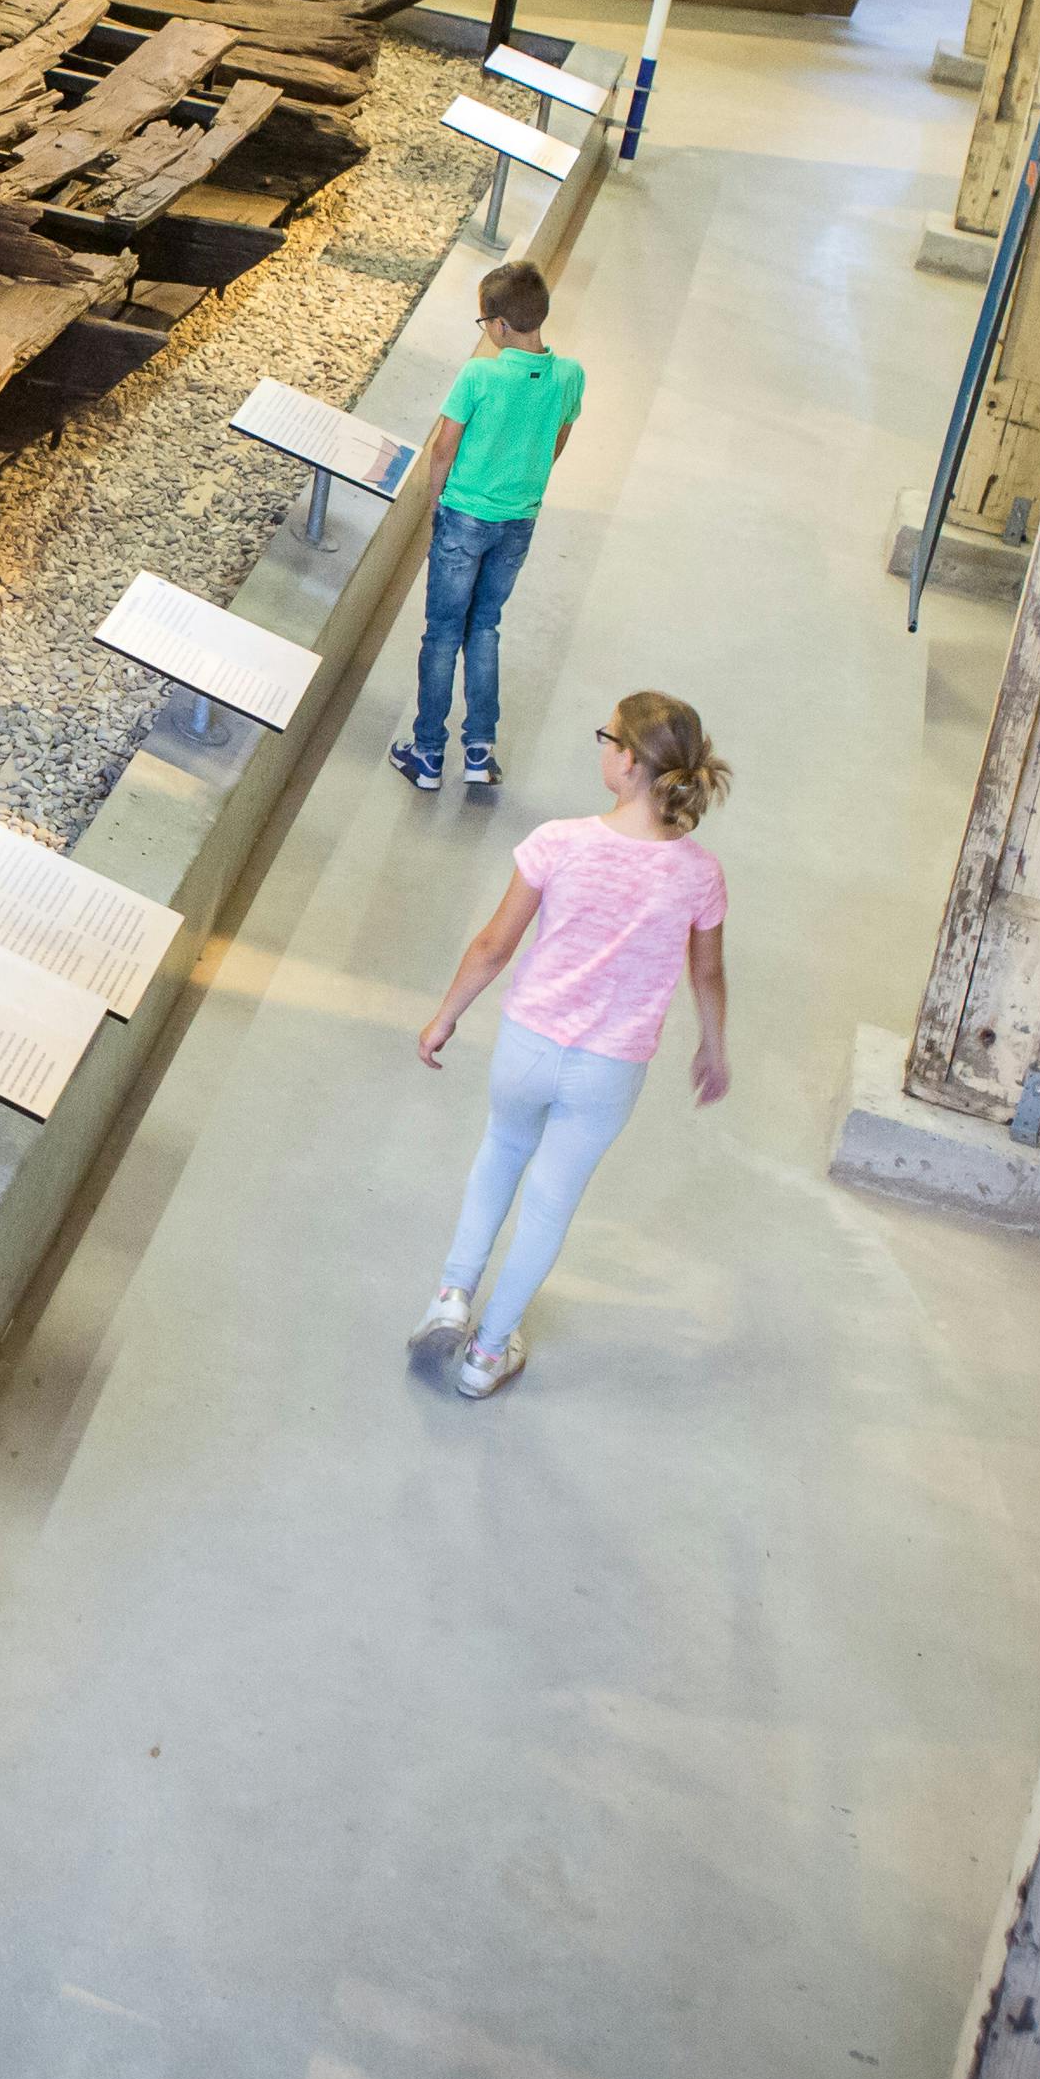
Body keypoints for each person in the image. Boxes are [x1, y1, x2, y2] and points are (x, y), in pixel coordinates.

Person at [405, 689, 731, 1401]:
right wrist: (713, 1048)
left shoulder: (559, 842)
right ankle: (487, 1354)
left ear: (628, 761)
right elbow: (706, 972)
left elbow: (493, 946)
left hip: (528, 1043)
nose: (601, 747)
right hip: (610, 1068)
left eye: (606, 737)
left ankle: (452, 1295)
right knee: (551, 1204)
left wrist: (445, 1016)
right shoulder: (700, 873)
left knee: (500, 1153)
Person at [390, 258, 582, 791]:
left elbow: (443, 447)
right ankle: (480, 749)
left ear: (498, 325)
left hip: (464, 518)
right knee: (485, 626)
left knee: (442, 632)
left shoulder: (479, 374)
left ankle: (428, 753)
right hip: (519, 521)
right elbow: (557, 440)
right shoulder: (570, 375)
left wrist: (437, 503)